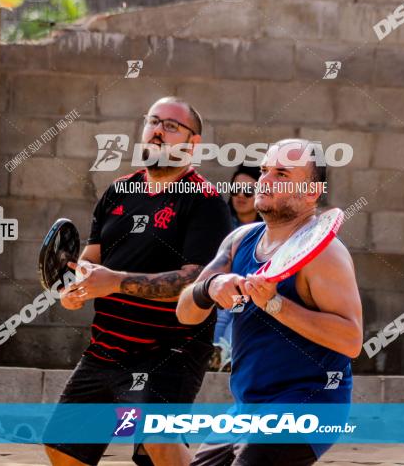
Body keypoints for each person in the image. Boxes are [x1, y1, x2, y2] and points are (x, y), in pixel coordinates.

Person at [44, 97, 233, 466]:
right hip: (106, 347)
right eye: (153, 121)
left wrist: (114, 282)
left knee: (157, 445)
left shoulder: (205, 202)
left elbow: (194, 280)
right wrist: (77, 287)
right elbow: (92, 259)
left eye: (172, 126)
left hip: (169, 351)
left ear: (193, 144)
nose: (158, 131)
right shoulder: (117, 192)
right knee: (62, 448)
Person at [177, 139, 363, 466]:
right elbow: (185, 313)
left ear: (311, 192)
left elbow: (351, 340)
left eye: (281, 173)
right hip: (247, 408)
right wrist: (210, 288)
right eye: (264, 170)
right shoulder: (239, 241)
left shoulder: (327, 255)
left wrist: (276, 304)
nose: (264, 179)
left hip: (310, 404)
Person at [210, 165, 261, 371]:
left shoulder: (268, 228)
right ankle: (217, 356)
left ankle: (226, 357)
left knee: (238, 313)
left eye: (248, 191)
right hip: (223, 290)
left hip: (254, 292)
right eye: (236, 190)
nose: (241, 196)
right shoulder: (221, 224)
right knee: (222, 315)